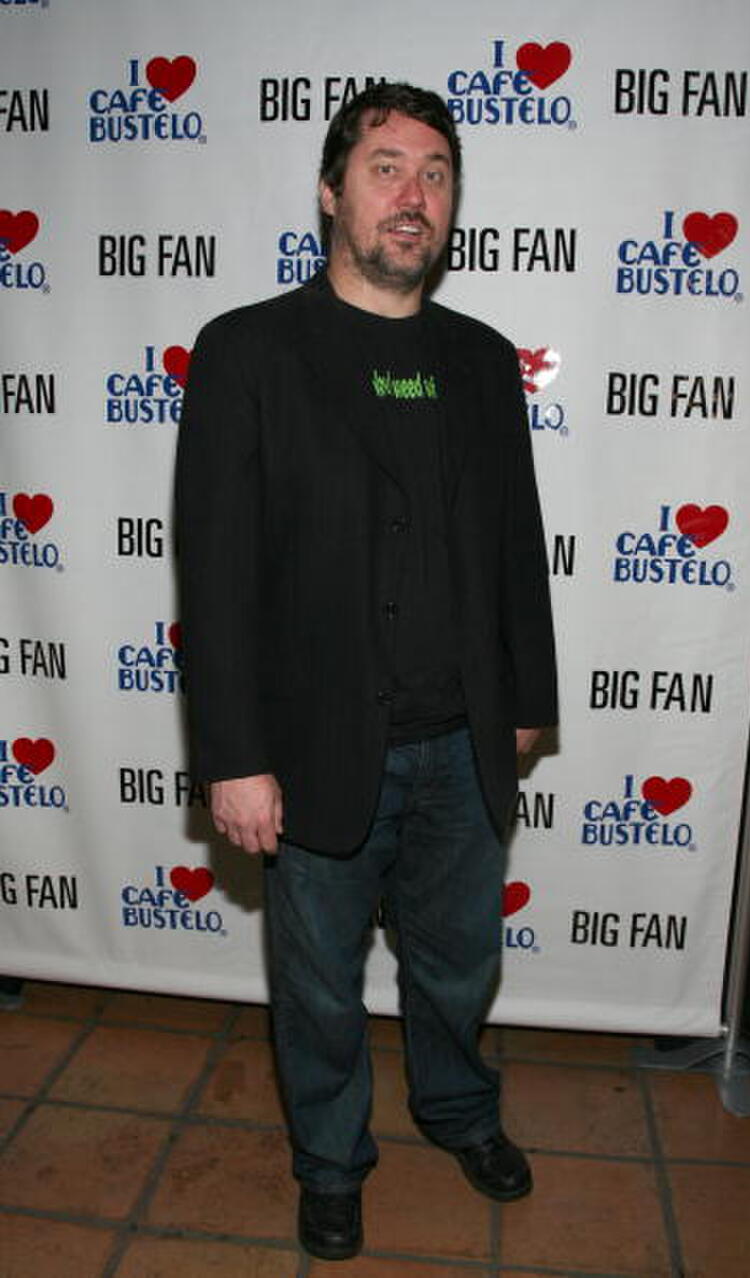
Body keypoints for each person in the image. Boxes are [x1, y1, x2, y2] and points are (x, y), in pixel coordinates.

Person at [175, 81, 557, 1262]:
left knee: (458, 966)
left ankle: (457, 1112)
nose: (413, 194)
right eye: (386, 168)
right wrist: (233, 759)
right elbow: (218, 573)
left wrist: (529, 704)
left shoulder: (483, 359)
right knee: (320, 989)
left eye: (435, 173)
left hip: (462, 744)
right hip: (313, 749)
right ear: (331, 194)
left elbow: (513, 547)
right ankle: (331, 1164)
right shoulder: (246, 352)